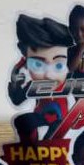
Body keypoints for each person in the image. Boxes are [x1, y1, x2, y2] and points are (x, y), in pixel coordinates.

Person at [8, 14, 74, 144]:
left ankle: (45, 145)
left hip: (60, 121)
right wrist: (16, 75)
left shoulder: (68, 80)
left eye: (58, 65)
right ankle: (32, 148)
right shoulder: (33, 85)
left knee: (57, 128)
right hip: (41, 116)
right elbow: (17, 100)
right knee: (22, 122)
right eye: (38, 65)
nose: (49, 75)